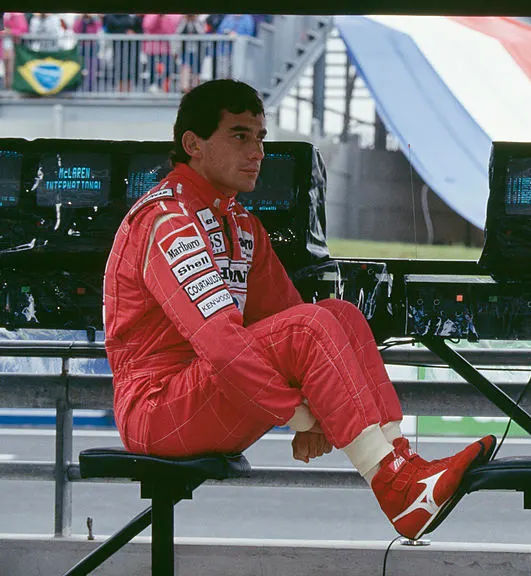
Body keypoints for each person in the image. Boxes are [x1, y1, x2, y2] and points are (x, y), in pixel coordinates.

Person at [102, 79, 496, 540]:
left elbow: (291, 321)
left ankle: (404, 466)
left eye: (260, 137)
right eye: (239, 136)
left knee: (341, 316)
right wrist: (305, 415)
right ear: (193, 145)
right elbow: (224, 345)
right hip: (155, 410)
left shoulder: (240, 223)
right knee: (311, 327)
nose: (258, 152)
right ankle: (395, 487)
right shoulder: (167, 219)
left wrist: (318, 405)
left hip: (203, 395)